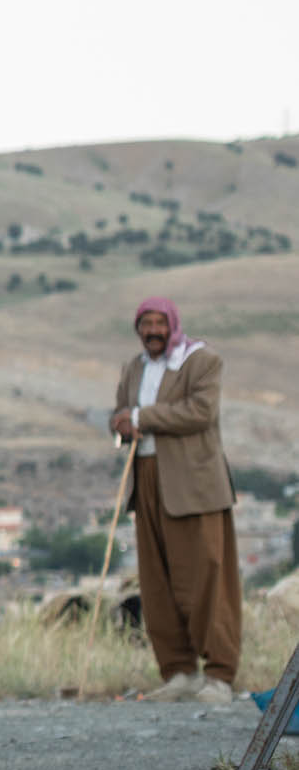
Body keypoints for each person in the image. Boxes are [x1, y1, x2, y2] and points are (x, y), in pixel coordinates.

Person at [111, 298, 240, 702]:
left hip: (194, 484)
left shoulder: (202, 360)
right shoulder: (133, 367)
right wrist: (119, 422)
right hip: (146, 478)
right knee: (157, 581)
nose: (152, 330)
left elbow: (200, 412)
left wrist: (141, 418)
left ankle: (219, 674)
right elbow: (122, 411)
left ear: (173, 325)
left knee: (206, 578)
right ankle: (180, 671)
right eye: (145, 323)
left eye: (158, 323)